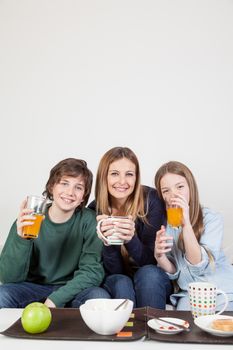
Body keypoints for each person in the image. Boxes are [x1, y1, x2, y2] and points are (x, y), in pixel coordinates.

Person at [0, 158, 107, 308]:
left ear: (83, 196)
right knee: (2, 295)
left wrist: (55, 300)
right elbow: (9, 277)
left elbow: (92, 272)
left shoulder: (89, 221)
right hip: (33, 287)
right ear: (51, 187)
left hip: (72, 288)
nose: (70, 192)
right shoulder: (29, 218)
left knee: (99, 296)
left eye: (78, 187)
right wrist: (22, 240)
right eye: (64, 183)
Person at [88, 147, 172, 309]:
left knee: (149, 274)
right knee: (121, 282)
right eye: (114, 174)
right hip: (118, 278)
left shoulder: (151, 200)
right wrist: (108, 243)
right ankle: (128, 332)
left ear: (136, 177)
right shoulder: (94, 210)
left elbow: (151, 261)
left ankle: (153, 331)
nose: (122, 181)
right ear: (103, 177)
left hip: (150, 278)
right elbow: (114, 272)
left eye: (129, 174)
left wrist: (130, 239)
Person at [154, 160, 233, 310]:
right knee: (186, 323)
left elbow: (197, 264)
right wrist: (160, 257)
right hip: (190, 294)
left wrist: (186, 224)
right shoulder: (168, 224)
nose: (173, 195)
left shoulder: (212, 218)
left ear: (191, 187)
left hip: (221, 291)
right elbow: (174, 271)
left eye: (180, 187)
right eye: (166, 191)